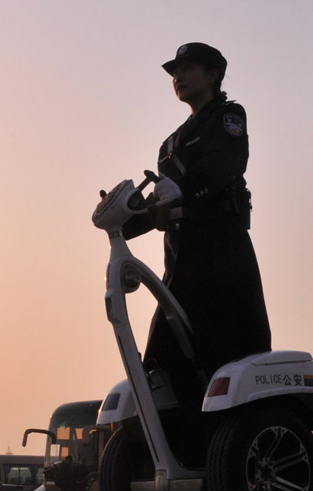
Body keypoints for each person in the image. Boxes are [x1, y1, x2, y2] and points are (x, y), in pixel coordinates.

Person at [126, 43, 271, 463]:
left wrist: (184, 190)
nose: (179, 77)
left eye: (188, 69)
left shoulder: (228, 118)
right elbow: (159, 206)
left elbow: (225, 165)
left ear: (212, 75)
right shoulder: (169, 144)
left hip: (224, 259)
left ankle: (244, 457)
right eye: (175, 71)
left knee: (234, 358)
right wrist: (124, 220)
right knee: (161, 362)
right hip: (182, 268)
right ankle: (181, 457)